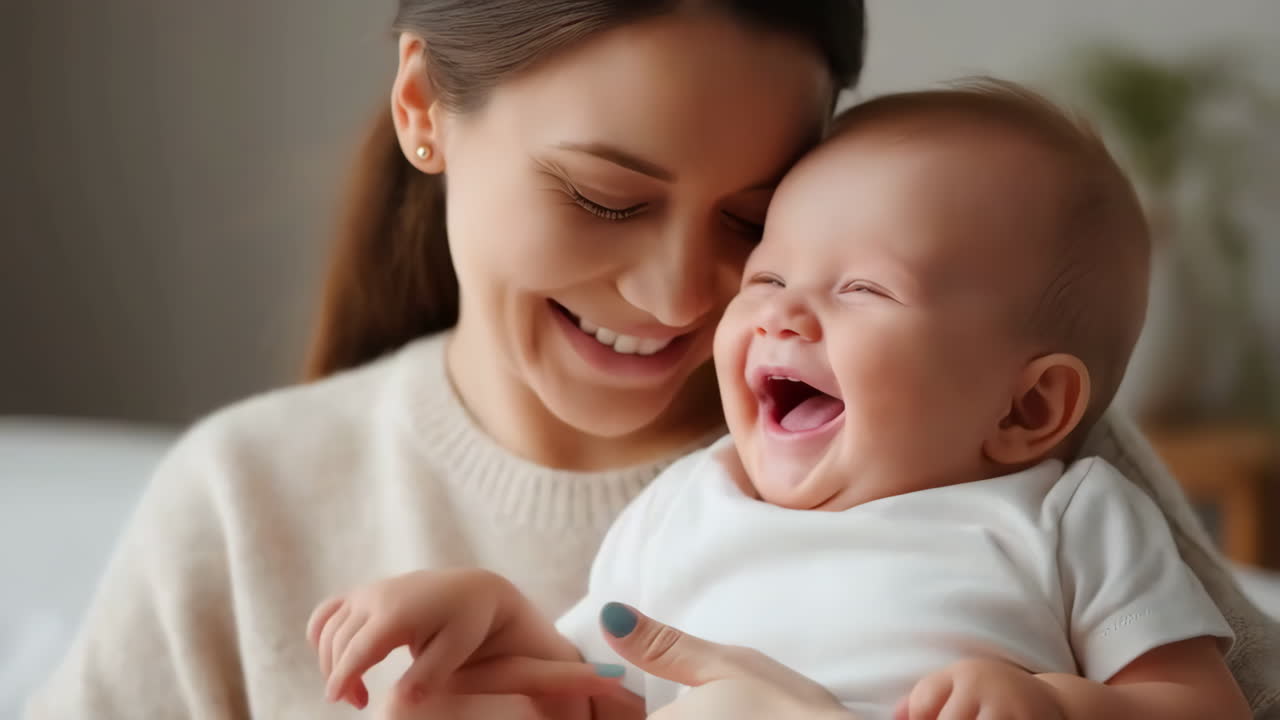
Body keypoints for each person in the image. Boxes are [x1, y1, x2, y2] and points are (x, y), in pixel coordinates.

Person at [23, 1, 1278, 718]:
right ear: (422, 111)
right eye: (604, 198)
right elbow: (591, 666)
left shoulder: (1013, 458)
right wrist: (511, 637)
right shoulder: (240, 508)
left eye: (749, 217)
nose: (694, 294)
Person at [304, 82, 1251, 720]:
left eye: (864, 290)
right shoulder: (684, 505)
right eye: (765, 275)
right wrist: (495, 621)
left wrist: (1056, 705)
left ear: (1029, 408)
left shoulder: (1063, 517)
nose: (781, 315)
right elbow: (598, 692)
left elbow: (1203, 705)